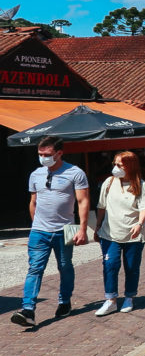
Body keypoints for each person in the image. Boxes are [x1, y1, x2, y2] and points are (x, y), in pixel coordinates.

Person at [11, 136, 90, 327]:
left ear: (59, 153)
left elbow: (83, 201)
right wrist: (35, 225)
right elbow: (33, 202)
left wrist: (82, 229)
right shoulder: (36, 174)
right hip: (39, 230)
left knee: (65, 266)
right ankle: (28, 309)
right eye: (40, 154)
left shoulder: (75, 173)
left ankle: (64, 301)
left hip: (66, 229)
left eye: (47, 155)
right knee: (35, 268)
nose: (43, 158)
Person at [93, 151, 145, 316]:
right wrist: (97, 227)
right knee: (110, 265)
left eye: (120, 165)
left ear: (130, 166)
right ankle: (110, 300)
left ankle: (129, 297)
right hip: (109, 233)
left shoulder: (141, 185)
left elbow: (144, 207)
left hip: (133, 234)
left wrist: (139, 224)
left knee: (131, 267)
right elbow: (101, 206)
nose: (115, 168)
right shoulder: (109, 182)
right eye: (115, 164)